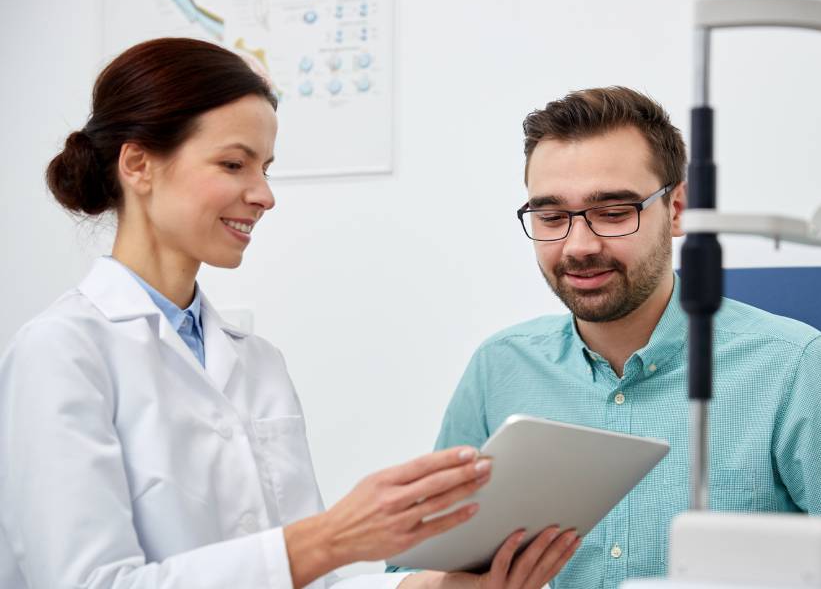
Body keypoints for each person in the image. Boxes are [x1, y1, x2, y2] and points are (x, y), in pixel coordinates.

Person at [0, 38, 578, 589]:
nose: (264, 194)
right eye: (233, 164)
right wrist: (330, 538)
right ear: (138, 165)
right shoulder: (62, 352)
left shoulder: (257, 363)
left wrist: (434, 584)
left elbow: (308, 582)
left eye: (266, 168)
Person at [423, 87, 821, 588]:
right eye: (551, 217)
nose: (579, 245)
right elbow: (412, 568)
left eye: (613, 212)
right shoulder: (499, 368)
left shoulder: (800, 369)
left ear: (676, 209)